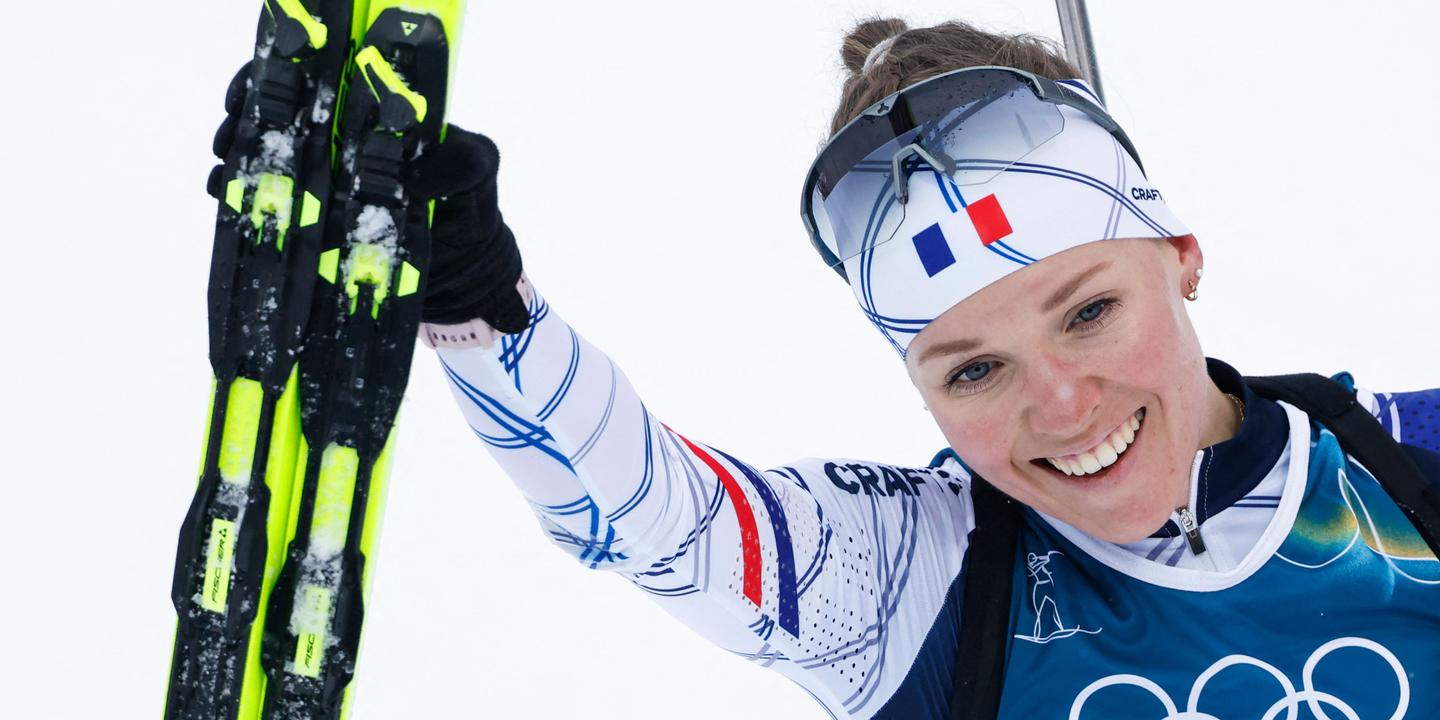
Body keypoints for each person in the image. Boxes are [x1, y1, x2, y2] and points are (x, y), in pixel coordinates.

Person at [212, 16, 1440, 720]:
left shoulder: (1411, 463)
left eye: (1087, 312)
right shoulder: (923, 582)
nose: (1059, 408)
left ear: (1181, 257)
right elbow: (668, 523)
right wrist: (480, 307)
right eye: (971, 372)